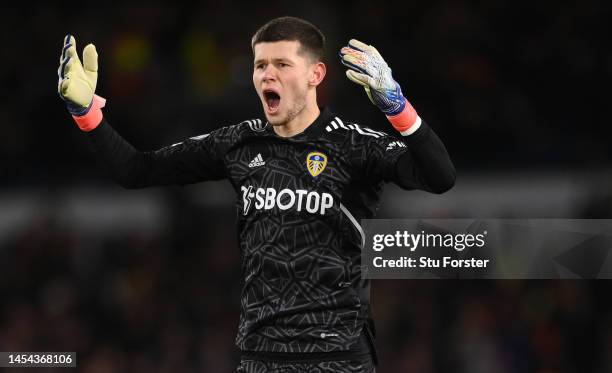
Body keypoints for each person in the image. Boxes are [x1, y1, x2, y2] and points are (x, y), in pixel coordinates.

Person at [57, 16, 455, 373]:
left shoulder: (354, 145)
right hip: (261, 358)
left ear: (316, 74)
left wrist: (397, 106)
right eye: (260, 65)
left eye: (282, 64)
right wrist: (86, 112)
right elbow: (135, 170)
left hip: (340, 358)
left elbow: (439, 177)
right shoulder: (238, 143)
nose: (268, 75)